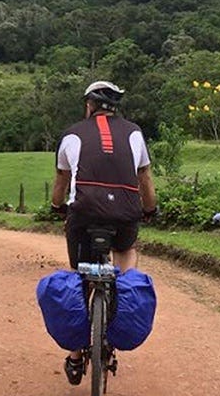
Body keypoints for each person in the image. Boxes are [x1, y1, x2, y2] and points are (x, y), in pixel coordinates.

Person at [50, 80, 158, 386]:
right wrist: (149, 209)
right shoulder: (135, 132)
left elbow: (61, 178)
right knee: (126, 250)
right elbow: (145, 176)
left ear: (89, 105)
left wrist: (58, 206)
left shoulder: (72, 133)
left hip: (83, 214)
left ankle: (74, 355)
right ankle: (124, 298)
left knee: (78, 273)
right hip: (124, 213)